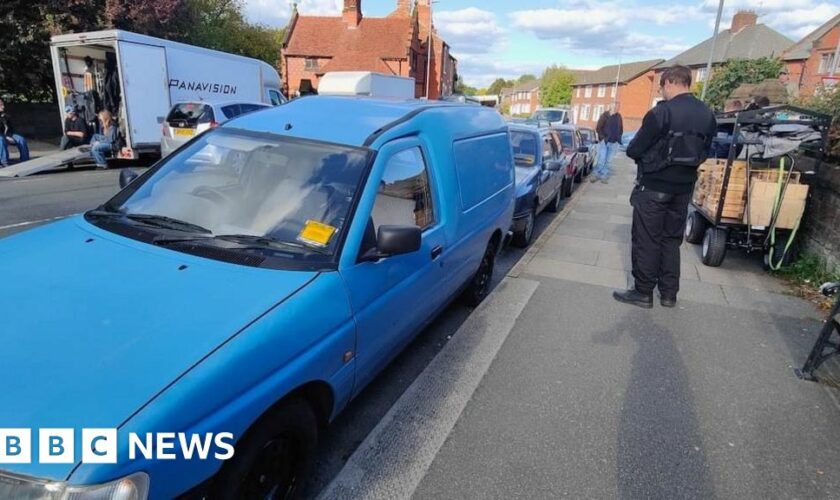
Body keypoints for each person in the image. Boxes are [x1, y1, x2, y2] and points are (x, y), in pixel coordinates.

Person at [614, 65, 716, 308]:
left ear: (670, 82)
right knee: (671, 240)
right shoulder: (707, 114)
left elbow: (634, 148)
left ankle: (643, 292)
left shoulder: (662, 113)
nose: (662, 91)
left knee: (647, 239)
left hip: (654, 186)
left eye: (662, 86)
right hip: (684, 188)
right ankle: (669, 294)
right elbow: (707, 150)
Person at [591, 102, 623, 183]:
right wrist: (602, 139)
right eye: (617, 107)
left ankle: (604, 175)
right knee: (602, 159)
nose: (618, 109)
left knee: (609, 160)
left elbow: (621, 128)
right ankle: (595, 174)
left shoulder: (619, 117)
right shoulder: (605, 116)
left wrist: (619, 136)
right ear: (612, 107)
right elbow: (598, 128)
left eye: (618, 107)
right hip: (605, 142)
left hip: (614, 142)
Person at [0, 98, 30, 168]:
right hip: (1, 137)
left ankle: (25, 160)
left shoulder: (6, 116)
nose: (3, 107)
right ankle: (4, 162)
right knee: (1, 140)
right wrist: (5, 137)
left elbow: (11, 129)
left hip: (7, 135)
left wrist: (9, 136)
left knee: (20, 139)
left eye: (3, 104)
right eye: (1, 105)